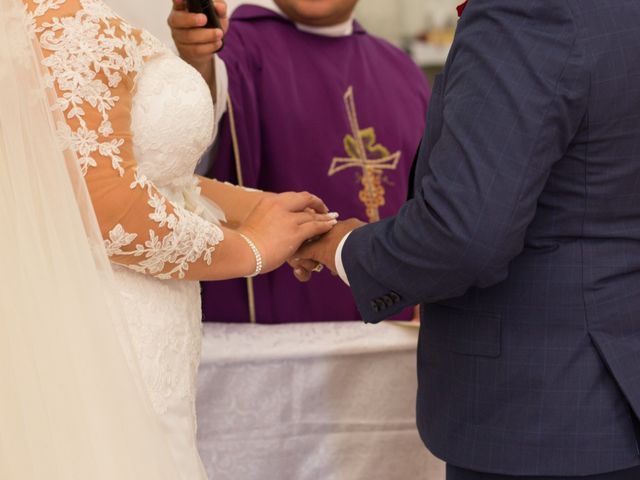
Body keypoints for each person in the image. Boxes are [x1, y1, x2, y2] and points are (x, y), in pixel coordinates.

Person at [294, 1, 640, 479]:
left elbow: (463, 235)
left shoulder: (529, 12)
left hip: (540, 413)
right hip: (616, 384)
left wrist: (340, 247)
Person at [8, 1, 335, 478]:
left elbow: (135, 170)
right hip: (112, 318)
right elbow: (108, 206)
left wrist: (256, 210)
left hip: (137, 313)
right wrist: (251, 249)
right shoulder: (68, 19)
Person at [168, 0, 430, 323]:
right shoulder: (238, 48)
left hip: (391, 334)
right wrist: (198, 62)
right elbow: (197, 129)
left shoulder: (403, 71)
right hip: (272, 344)